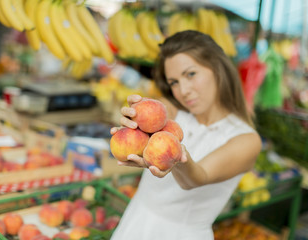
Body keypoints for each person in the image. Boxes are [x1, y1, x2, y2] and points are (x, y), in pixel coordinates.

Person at [110, 30, 262, 240]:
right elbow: (158, 114)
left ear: (218, 69)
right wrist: (136, 118)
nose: (184, 90)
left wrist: (176, 157)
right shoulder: (174, 111)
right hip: (136, 221)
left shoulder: (246, 140)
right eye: (174, 82)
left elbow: (197, 178)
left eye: (190, 74)